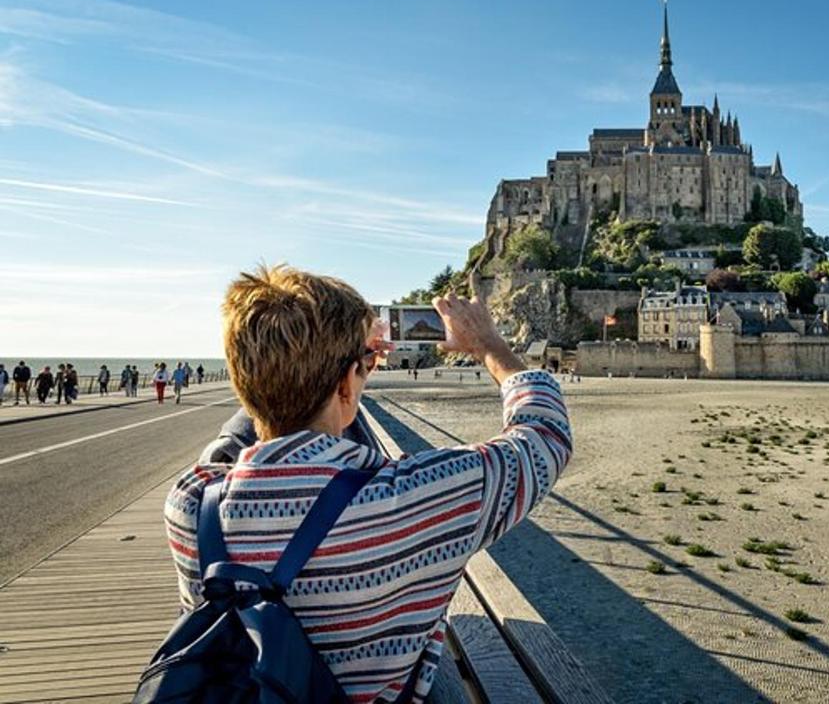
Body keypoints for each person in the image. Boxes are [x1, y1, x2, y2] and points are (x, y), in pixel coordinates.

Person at [164, 265, 571, 703]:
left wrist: (338, 363)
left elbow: (263, 426)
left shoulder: (190, 503)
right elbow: (544, 435)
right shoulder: (417, 496)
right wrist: (487, 344)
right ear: (345, 384)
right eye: (367, 366)